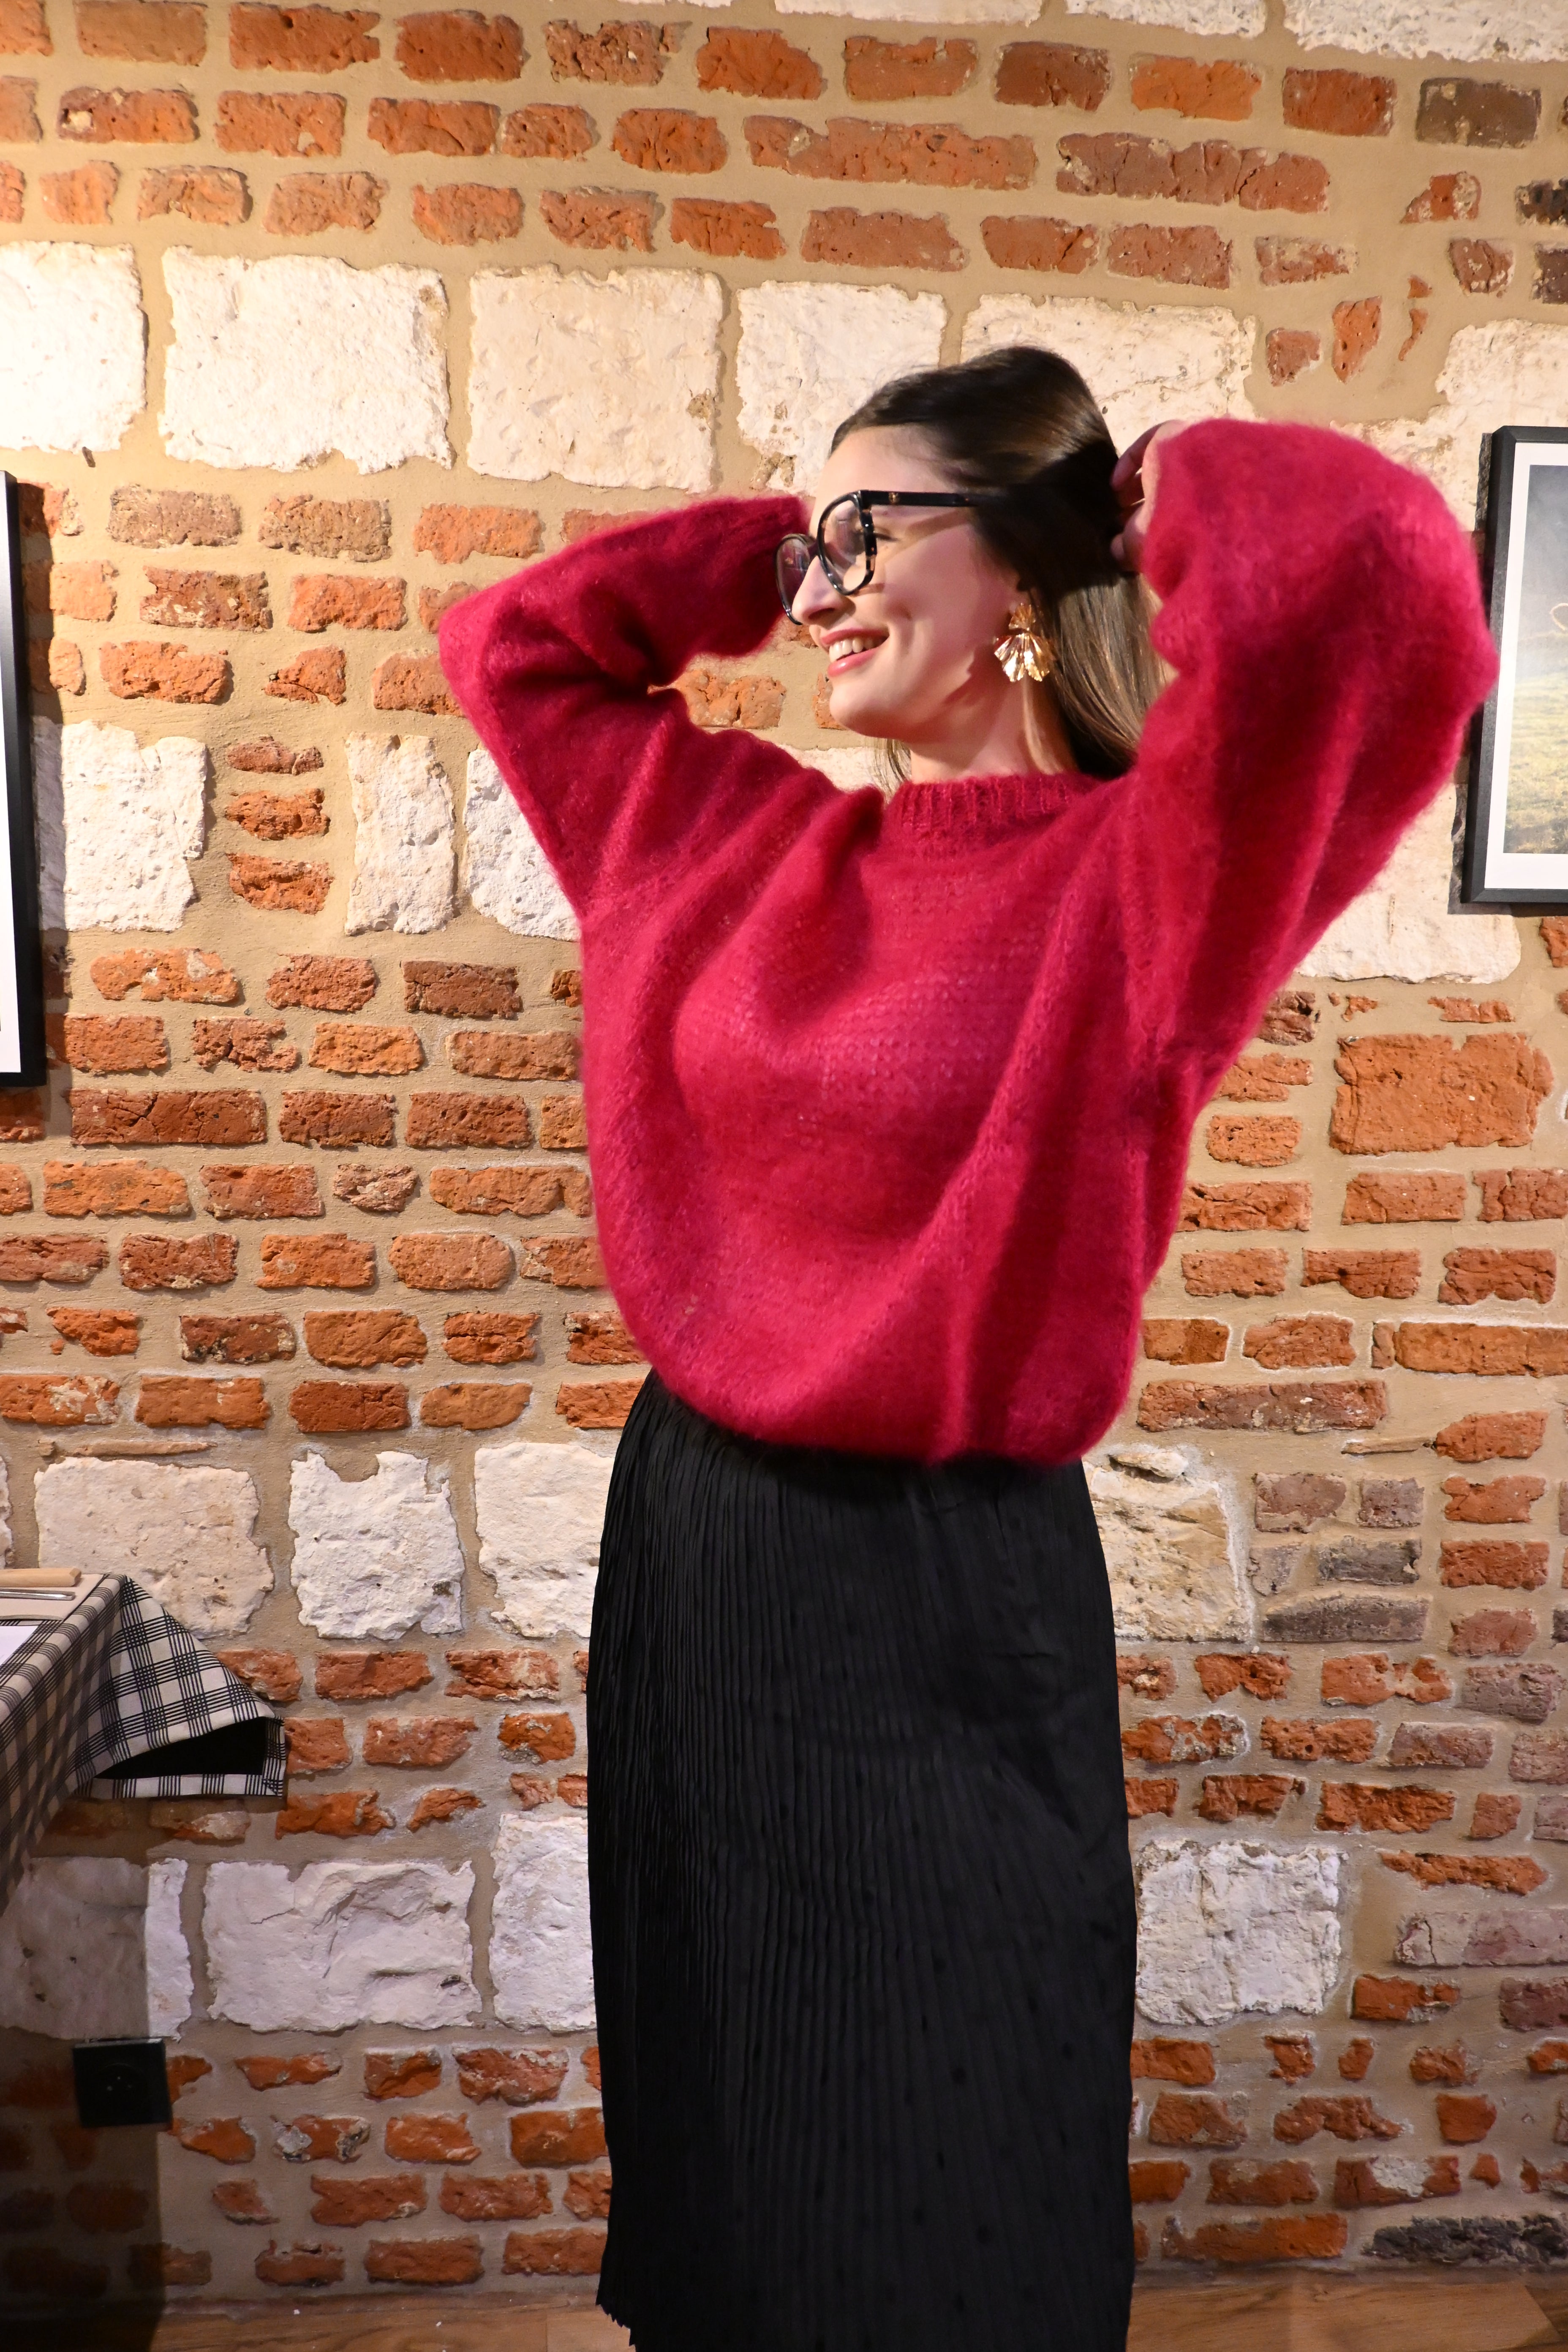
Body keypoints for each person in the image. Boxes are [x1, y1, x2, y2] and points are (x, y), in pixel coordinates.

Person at [440, 345, 1495, 2352]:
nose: (826, 582)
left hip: (946, 1580)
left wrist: (1146, 489)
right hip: (709, 1546)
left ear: (1016, 565)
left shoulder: (1146, 877)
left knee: (959, 2100)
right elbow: (517, 651)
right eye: (812, 533)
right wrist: (761, 555)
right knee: (733, 2107)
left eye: (870, 529)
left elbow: (1383, 586)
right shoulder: (731, 844)